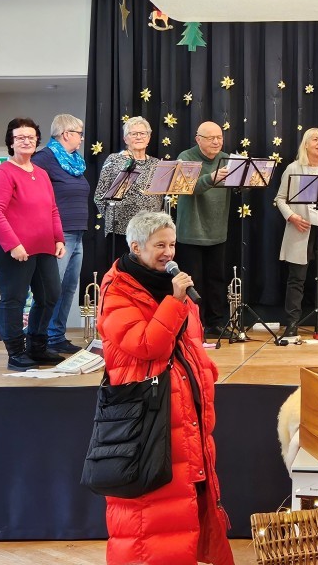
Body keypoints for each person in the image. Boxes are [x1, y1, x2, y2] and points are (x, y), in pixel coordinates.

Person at [98, 211, 234, 565]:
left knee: (182, 517)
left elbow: (191, 343)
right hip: (145, 421)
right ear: (136, 247)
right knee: (149, 523)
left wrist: (205, 373)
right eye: (160, 245)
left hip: (182, 418)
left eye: (172, 244)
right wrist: (174, 301)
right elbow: (148, 345)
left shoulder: (173, 286)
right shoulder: (118, 291)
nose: (169, 253)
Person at [0, 118, 65, 371]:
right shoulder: (3, 173)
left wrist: (58, 238)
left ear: (37, 140)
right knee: (14, 300)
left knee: (50, 296)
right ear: (11, 142)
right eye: (20, 137)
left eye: (31, 137)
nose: (26, 141)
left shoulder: (41, 174)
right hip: (13, 250)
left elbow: (52, 209)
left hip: (43, 247)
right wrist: (13, 244)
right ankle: (16, 352)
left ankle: (37, 347)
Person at [275, 128, 318, 340]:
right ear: (306, 144)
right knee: (297, 278)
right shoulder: (294, 168)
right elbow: (280, 198)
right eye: (315, 139)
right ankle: (292, 324)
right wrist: (292, 217)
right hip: (302, 227)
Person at [31, 113, 89, 354]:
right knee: (52, 289)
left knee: (68, 287)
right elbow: (33, 191)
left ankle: (56, 336)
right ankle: (40, 338)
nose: (82, 138)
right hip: (59, 235)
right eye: (79, 134)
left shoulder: (75, 161)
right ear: (66, 134)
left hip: (77, 233)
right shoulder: (44, 158)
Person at [175, 121, 232, 340]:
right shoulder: (186, 157)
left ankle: (215, 324)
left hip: (217, 231)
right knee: (193, 282)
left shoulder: (227, 159)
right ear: (198, 139)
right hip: (191, 232)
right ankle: (192, 325)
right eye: (211, 138)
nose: (216, 142)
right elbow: (188, 187)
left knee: (216, 280)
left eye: (220, 138)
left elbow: (241, 186)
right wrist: (212, 178)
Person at [93, 116, 164, 262]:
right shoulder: (113, 160)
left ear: (149, 138)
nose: (138, 137)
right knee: (123, 270)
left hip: (150, 230)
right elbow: (99, 195)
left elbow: (160, 196)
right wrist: (112, 217)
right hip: (120, 230)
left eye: (142, 133)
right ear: (125, 139)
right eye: (133, 133)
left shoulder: (157, 163)